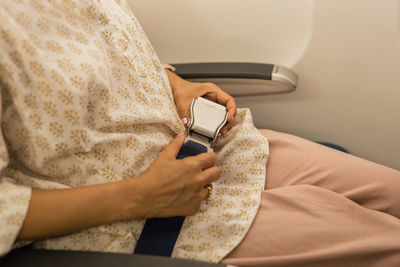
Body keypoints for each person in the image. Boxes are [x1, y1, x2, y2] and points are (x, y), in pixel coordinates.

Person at [0, 1, 399, 266]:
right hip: (148, 219)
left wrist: (176, 85)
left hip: (217, 147)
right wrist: (142, 196)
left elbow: (104, 53)